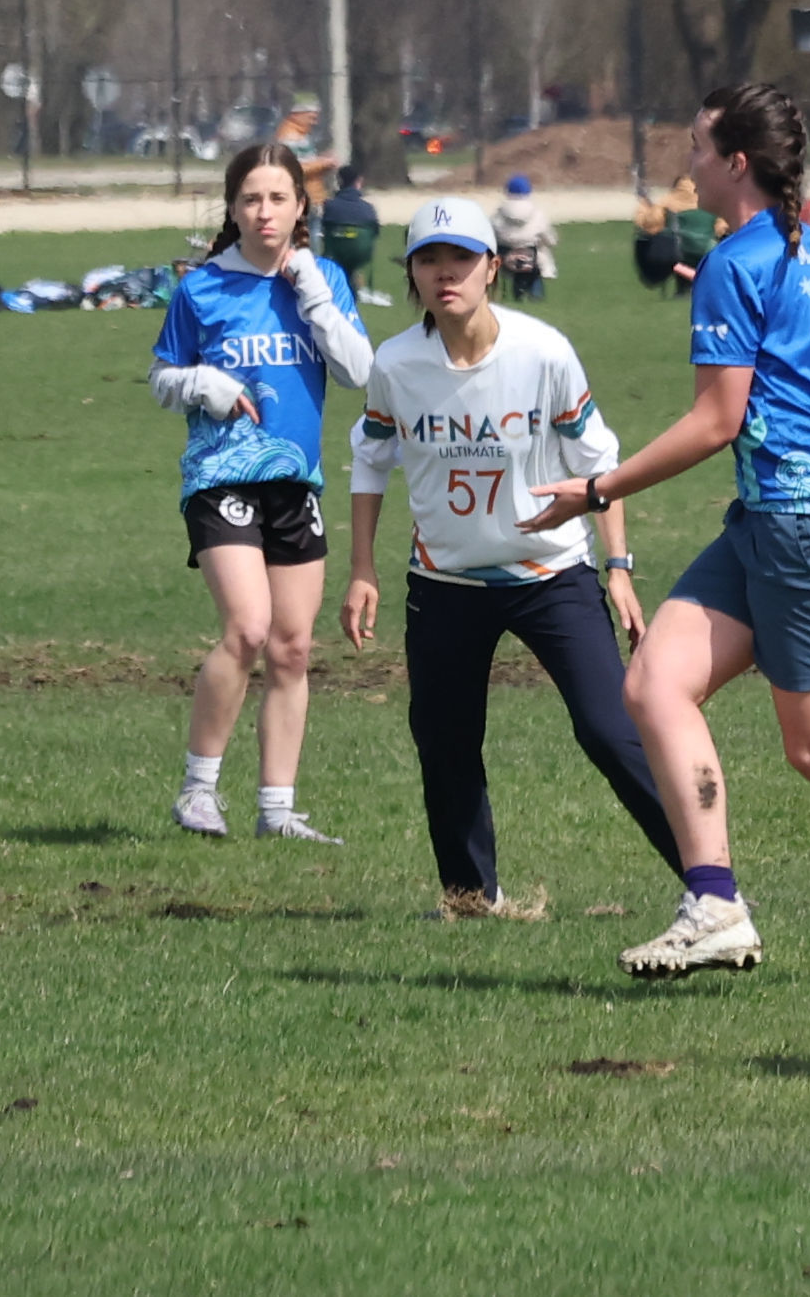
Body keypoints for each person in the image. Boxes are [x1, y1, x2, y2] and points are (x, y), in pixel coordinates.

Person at [522, 83, 810, 990]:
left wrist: (597, 489)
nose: (686, 164)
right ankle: (714, 906)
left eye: (696, 146)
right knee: (655, 683)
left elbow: (715, 421)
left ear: (734, 161)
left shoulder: (735, 261)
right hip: (776, 519)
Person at [342, 196, 680, 914]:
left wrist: (618, 568)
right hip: (444, 580)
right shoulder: (395, 364)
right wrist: (361, 569)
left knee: (609, 730)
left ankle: (708, 881)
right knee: (444, 740)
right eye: (428, 260)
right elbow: (370, 460)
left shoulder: (542, 352)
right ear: (411, 273)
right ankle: (471, 899)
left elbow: (600, 463)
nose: (445, 273)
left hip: (550, 574)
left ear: (492, 268)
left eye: (461, 259)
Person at [149, 143, 373, 842]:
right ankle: (198, 791)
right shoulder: (201, 288)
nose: (264, 212)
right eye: (251, 199)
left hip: (294, 480)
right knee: (247, 629)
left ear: (301, 206)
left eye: (278, 198)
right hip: (221, 477)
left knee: (292, 648)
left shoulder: (324, 279)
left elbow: (359, 372)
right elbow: (161, 378)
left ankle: (277, 812)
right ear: (232, 207)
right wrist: (201, 384)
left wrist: (312, 293)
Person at [320, 166, 392, 307]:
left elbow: (325, 227)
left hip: (336, 248)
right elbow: (375, 230)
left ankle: (340, 292)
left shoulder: (330, 206)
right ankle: (352, 292)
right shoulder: (367, 208)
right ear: (358, 182)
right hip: (361, 251)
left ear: (339, 181)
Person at [492, 174, 559, 301]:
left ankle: (519, 295)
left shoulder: (498, 214)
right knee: (538, 261)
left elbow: (493, 233)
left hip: (506, 258)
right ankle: (536, 296)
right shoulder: (537, 213)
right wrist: (552, 242)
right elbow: (547, 235)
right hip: (531, 256)